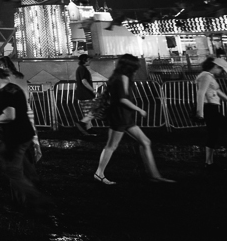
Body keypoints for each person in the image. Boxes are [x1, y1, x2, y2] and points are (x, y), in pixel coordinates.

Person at [93, 54, 174, 185]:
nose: (136, 70)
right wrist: (139, 109)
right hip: (121, 116)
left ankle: (154, 175)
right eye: (135, 67)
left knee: (145, 142)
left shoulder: (116, 77)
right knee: (111, 146)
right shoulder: (123, 78)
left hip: (123, 116)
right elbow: (123, 98)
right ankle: (99, 173)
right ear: (130, 67)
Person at [0, 67, 51, 215]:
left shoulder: (3, 94)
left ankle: (33, 198)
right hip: (26, 134)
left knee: (13, 171)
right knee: (23, 164)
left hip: (15, 137)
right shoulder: (15, 88)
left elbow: (9, 116)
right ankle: (32, 182)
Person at [196, 57, 227, 167]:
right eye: (221, 70)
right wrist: (200, 112)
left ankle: (209, 162)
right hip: (210, 108)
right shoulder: (206, 76)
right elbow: (201, 93)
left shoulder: (207, 76)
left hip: (210, 108)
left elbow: (219, 92)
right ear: (215, 66)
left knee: (213, 135)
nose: (221, 72)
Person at [74, 54, 95, 135]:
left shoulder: (81, 68)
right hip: (85, 94)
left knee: (87, 113)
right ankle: (81, 123)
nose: (90, 61)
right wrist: (93, 90)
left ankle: (89, 129)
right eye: (89, 59)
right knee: (93, 111)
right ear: (85, 60)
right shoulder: (82, 69)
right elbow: (84, 81)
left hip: (83, 94)